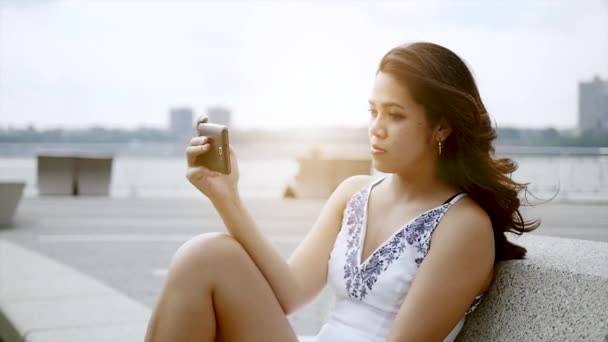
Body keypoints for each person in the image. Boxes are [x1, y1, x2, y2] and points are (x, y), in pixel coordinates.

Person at [144, 41, 539, 342]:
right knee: (206, 254)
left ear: (442, 127)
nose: (376, 128)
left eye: (396, 115)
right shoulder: (354, 194)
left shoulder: (463, 224)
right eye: (373, 111)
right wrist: (225, 196)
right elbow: (290, 294)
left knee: (207, 255)